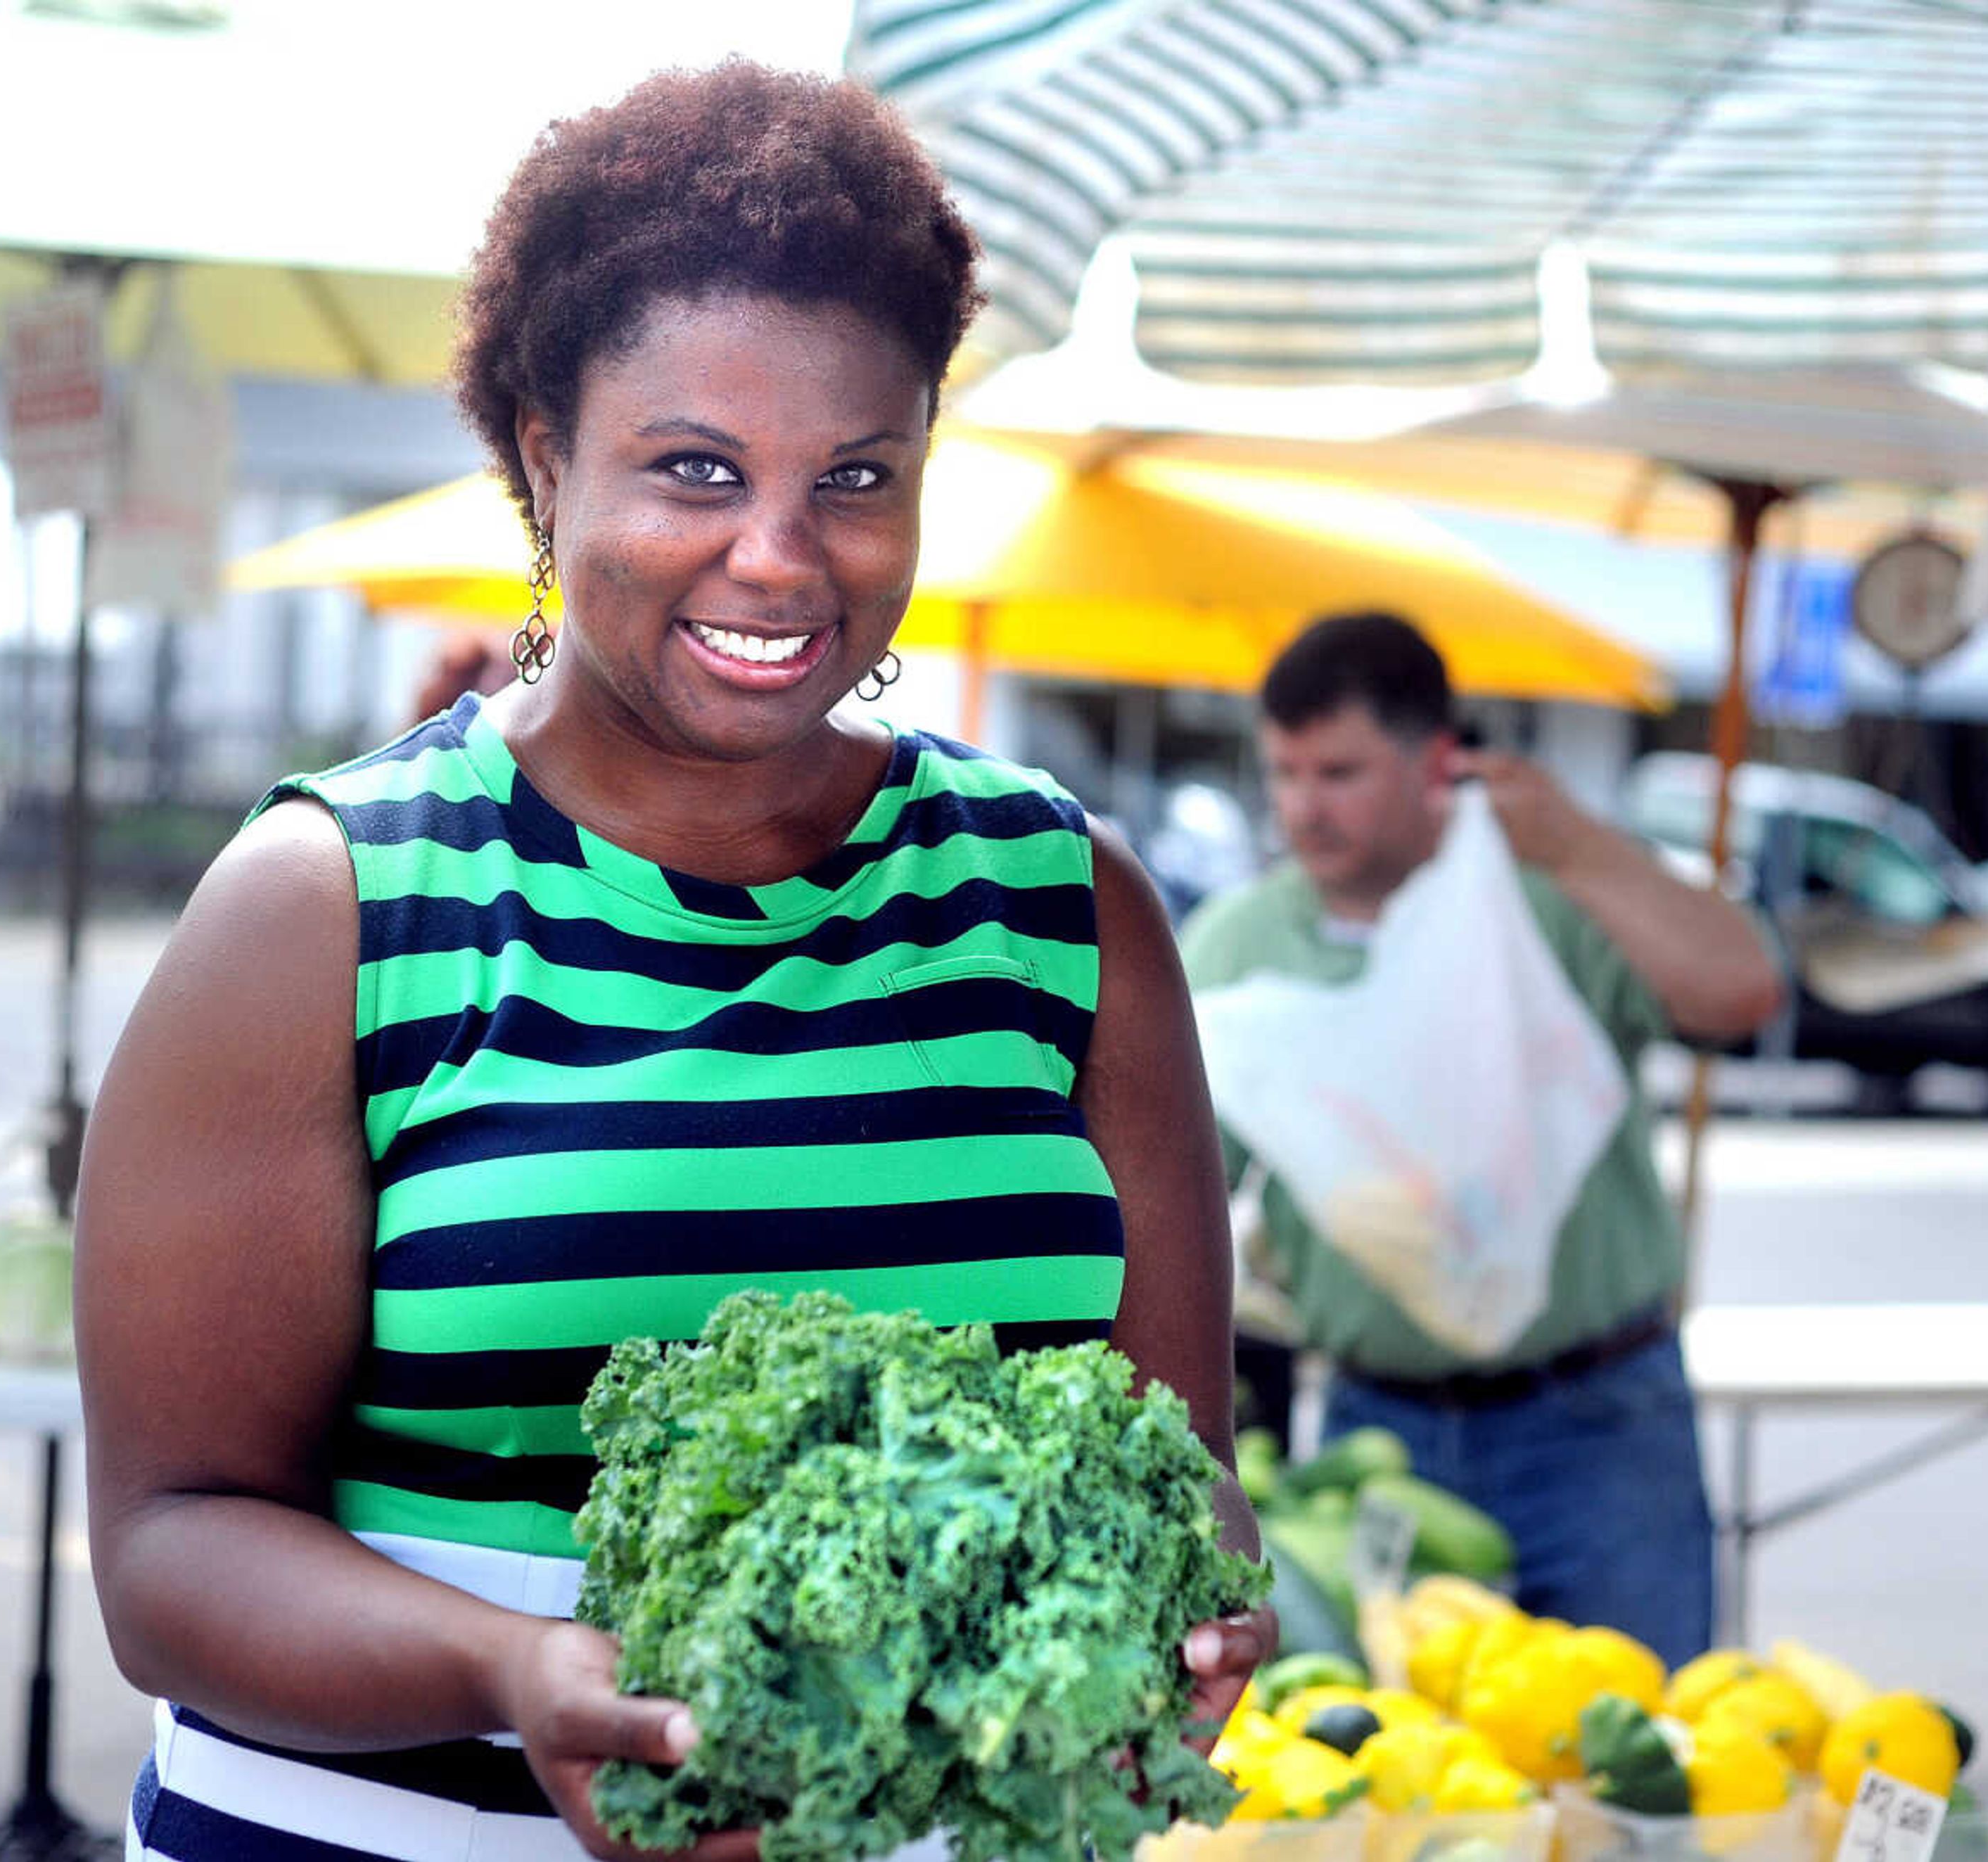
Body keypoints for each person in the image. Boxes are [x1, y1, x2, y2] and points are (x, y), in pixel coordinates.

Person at [73, 61, 1272, 1862]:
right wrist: (518, 1669)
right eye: (694, 469)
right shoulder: (331, 904)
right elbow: (171, 1543)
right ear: (548, 462)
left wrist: (1190, 1620)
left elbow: (1189, 1479)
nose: (780, 559)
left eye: (856, 477)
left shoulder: (1064, 904)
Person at [1179, 611, 1782, 1664]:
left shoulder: (1544, 898)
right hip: (1378, 1438)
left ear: (1439, 765)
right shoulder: (1240, 945)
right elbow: (1169, 1189)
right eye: (1284, 774)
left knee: (1643, 1760)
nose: (1302, 809)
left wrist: (1580, 844)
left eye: (1339, 773)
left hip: (1602, 1422)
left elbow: (1744, 993)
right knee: (1411, 1783)